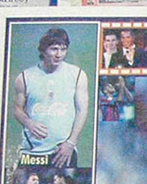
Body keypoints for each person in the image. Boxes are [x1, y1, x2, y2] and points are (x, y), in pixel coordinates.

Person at [12, 27, 90, 171]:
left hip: (62, 150)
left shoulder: (77, 75)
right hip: (32, 151)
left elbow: (82, 110)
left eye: (63, 49)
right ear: (43, 50)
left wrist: (71, 143)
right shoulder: (25, 77)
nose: (59, 55)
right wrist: (28, 122)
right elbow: (17, 109)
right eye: (54, 49)